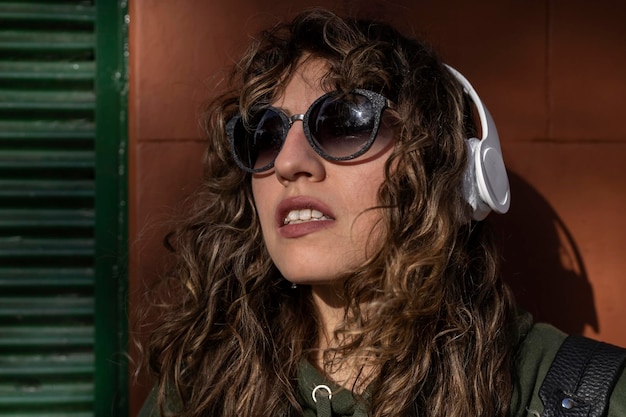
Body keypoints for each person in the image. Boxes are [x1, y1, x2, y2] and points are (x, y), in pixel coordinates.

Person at [138, 8, 626, 417]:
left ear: (444, 168)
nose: (287, 163)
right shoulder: (200, 388)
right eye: (263, 134)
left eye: (344, 123)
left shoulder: (582, 393)